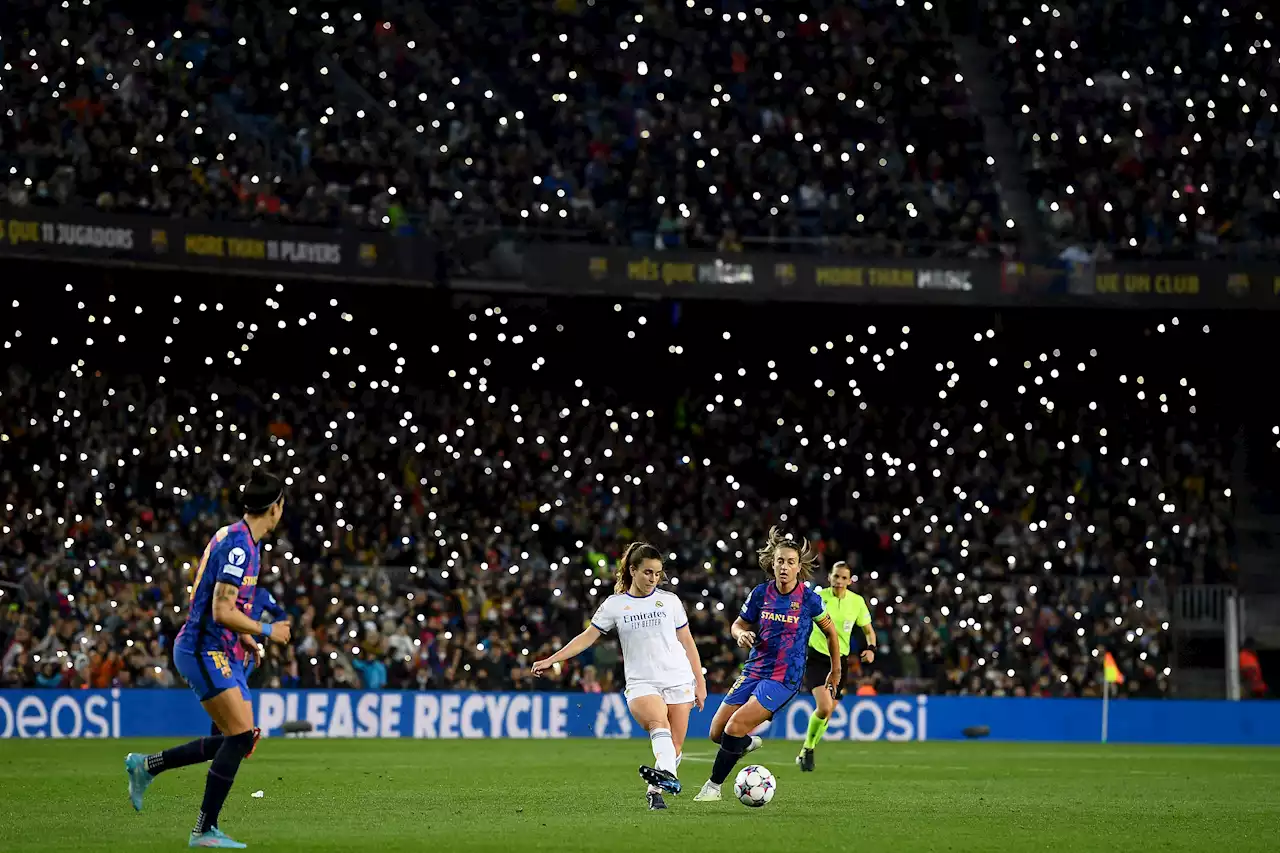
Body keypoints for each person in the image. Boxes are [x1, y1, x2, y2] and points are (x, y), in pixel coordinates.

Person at [124, 471, 292, 849]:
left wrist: (245, 638)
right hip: (202, 650)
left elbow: (223, 604)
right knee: (239, 737)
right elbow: (220, 609)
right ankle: (203, 830)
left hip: (221, 649)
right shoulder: (240, 547)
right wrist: (266, 632)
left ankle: (146, 766)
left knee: (235, 741)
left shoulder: (240, 539)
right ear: (276, 507)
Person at [532, 542, 708, 811]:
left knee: (675, 745)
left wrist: (700, 681)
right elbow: (585, 638)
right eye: (647, 572)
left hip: (679, 678)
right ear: (633, 570)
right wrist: (552, 659)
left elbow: (687, 641)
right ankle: (670, 777)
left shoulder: (670, 602)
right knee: (657, 723)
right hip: (642, 682)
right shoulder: (615, 605)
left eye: (658, 573)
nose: (653, 579)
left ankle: (656, 790)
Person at [692, 527, 841, 802]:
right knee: (717, 732)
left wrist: (836, 670)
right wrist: (741, 634)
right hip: (754, 668)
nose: (784, 567)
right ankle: (747, 744)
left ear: (799, 568)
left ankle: (713, 787)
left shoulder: (809, 600)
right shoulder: (761, 594)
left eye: (790, 562)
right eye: (780, 561)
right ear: (772, 564)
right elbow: (737, 625)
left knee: (734, 727)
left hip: (784, 678)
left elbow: (831, 633)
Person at [796, 560, 875, 771]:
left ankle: (807, 748)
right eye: (836, 576)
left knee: (828, 713)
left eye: (843, 577)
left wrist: (871, 648)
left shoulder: (857, 602)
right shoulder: (818, 598)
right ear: (829, 577)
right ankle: (809, 750)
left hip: (840, 661)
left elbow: (868, 630)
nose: (839, 581)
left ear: (849, 581)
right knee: (824, 707)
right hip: (817, 658)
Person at [210, 586, 286, 736]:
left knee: (232, 698)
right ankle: (221, 741)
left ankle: (222, 741)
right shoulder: (226, 591)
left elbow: (280, 614)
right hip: (224, 650)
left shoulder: (261, 594)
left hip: (247, 653)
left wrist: (269, 629)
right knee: (227, 697)